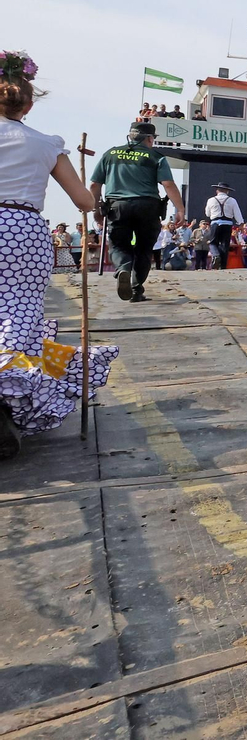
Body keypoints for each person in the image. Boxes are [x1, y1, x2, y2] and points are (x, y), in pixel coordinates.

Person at [0, 50, 118, 458]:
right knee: (20, 310)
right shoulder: (47, 144)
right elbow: (84, 200)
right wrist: (88, 198)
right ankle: (11, 392)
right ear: (28, 105)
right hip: (23, 229)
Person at [89, 121, 186, 302]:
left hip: (117, 207)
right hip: (147, 207)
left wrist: (96, 209)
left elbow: (95, 184)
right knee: (144, 249)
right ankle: (136, 289)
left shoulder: (110, 155)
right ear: (149, 139)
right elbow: (168, 184)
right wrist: (180, 208)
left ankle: (123, 269)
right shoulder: (156, 157)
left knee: (118, 245)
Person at [204, 182, 245, 268]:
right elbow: (237, 213)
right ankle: (222, 266)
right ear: (227, 191)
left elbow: (207, 214)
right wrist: (241, 224)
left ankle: (215, 255)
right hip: (227, 224)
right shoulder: (232, 200)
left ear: (217, 190)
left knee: (213, 243)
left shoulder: (211, 200)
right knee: (224, 245)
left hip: (215, 223)